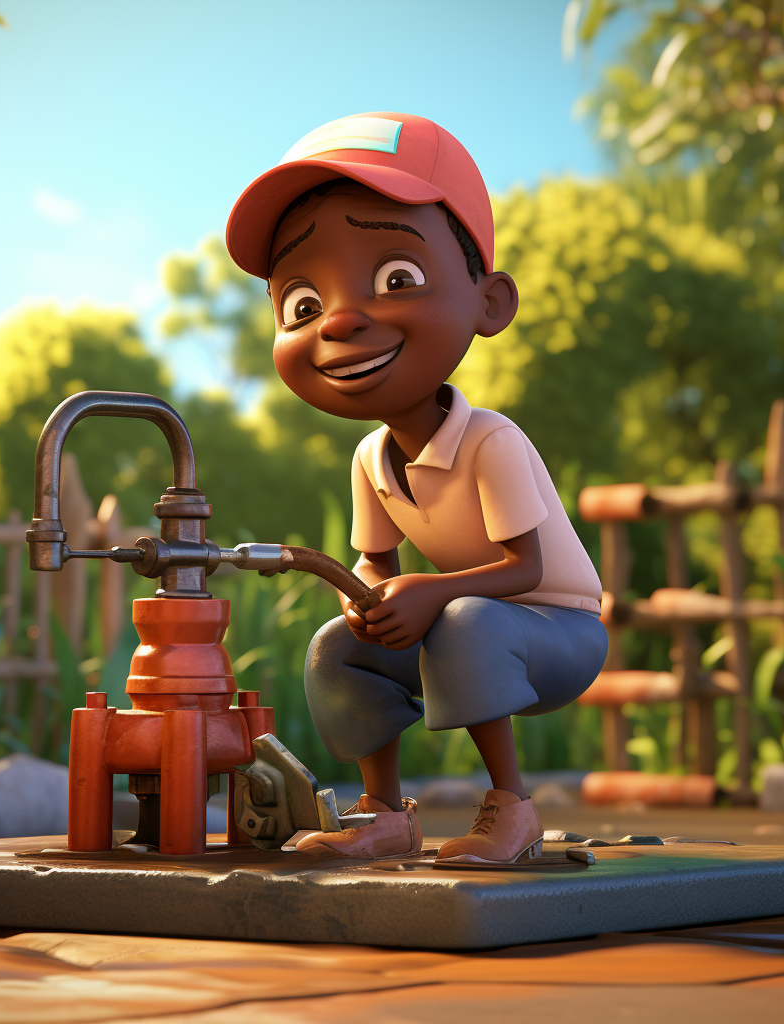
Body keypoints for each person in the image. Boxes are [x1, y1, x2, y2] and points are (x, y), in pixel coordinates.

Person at [225, 113, 607, 864]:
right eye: (302, 304)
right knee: (338, 648)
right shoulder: (373, 457)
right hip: (468, 624)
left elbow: (524, 572)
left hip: (556, 630)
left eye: (397, 278)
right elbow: (376, 561)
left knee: (468, 619)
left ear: (489, 301)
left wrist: (428, 595)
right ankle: (384, 811)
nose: (339, 321)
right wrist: (364, 595)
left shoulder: (491, 440)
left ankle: (512, 807)